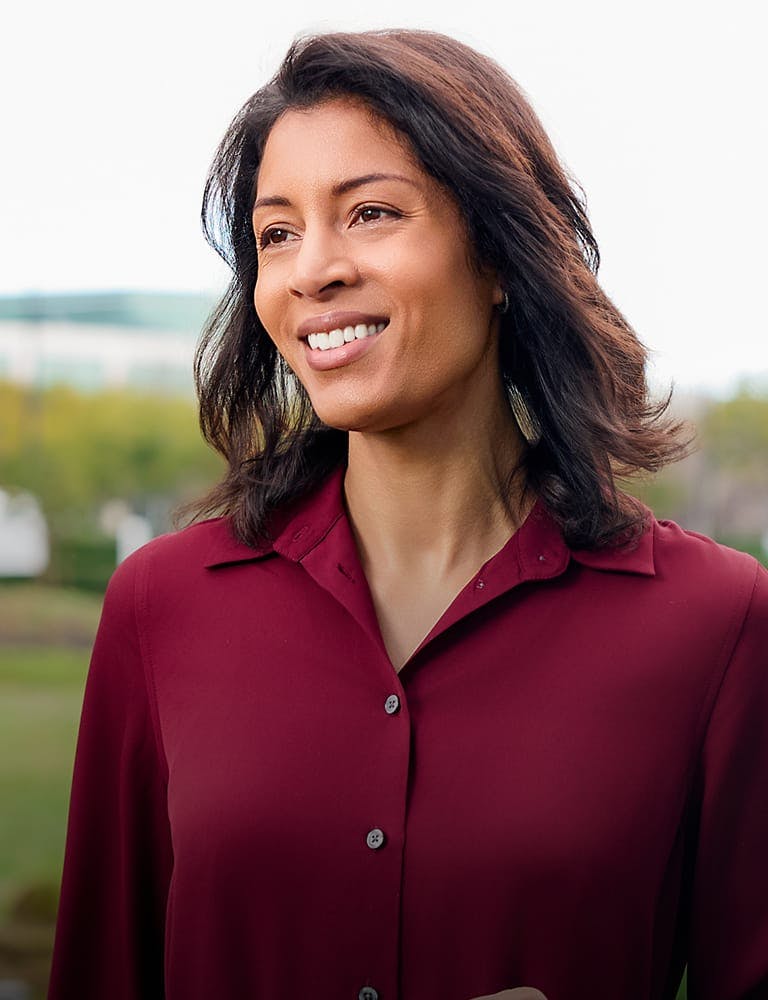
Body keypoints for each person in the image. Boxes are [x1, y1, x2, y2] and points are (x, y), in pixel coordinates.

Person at [48, 28, 768, 1000]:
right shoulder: (160, 606)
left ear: (503, 252)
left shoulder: (715, 624)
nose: (313, 270)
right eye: (276, 233)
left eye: (371, 213)